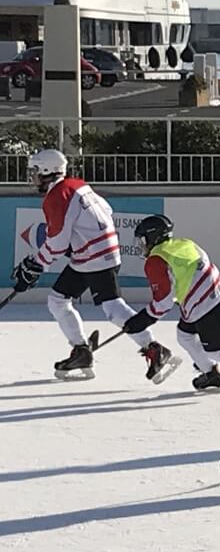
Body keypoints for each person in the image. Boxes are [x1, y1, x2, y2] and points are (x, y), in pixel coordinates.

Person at [10, 149, 178, 383]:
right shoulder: (77, 184)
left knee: (112, 306)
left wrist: (37, 263)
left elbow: (57, 241)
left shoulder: (57, 195)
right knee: (58, 299)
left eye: (35, 171)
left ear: (47, 171)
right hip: (93, 254)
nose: (32, 177)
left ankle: (154, 348)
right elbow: (105, 211)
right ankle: (81, 352)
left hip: (93, 257)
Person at [122, 214, 220, 392]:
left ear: (152, 237)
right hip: (215, 293)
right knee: (185, 335)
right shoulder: (183, 243)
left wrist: (141, 321)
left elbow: (164, 302)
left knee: (218, 352)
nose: (142, 245)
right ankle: (211, 374)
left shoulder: (155, 260)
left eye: (143, 240)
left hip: (205, 305)